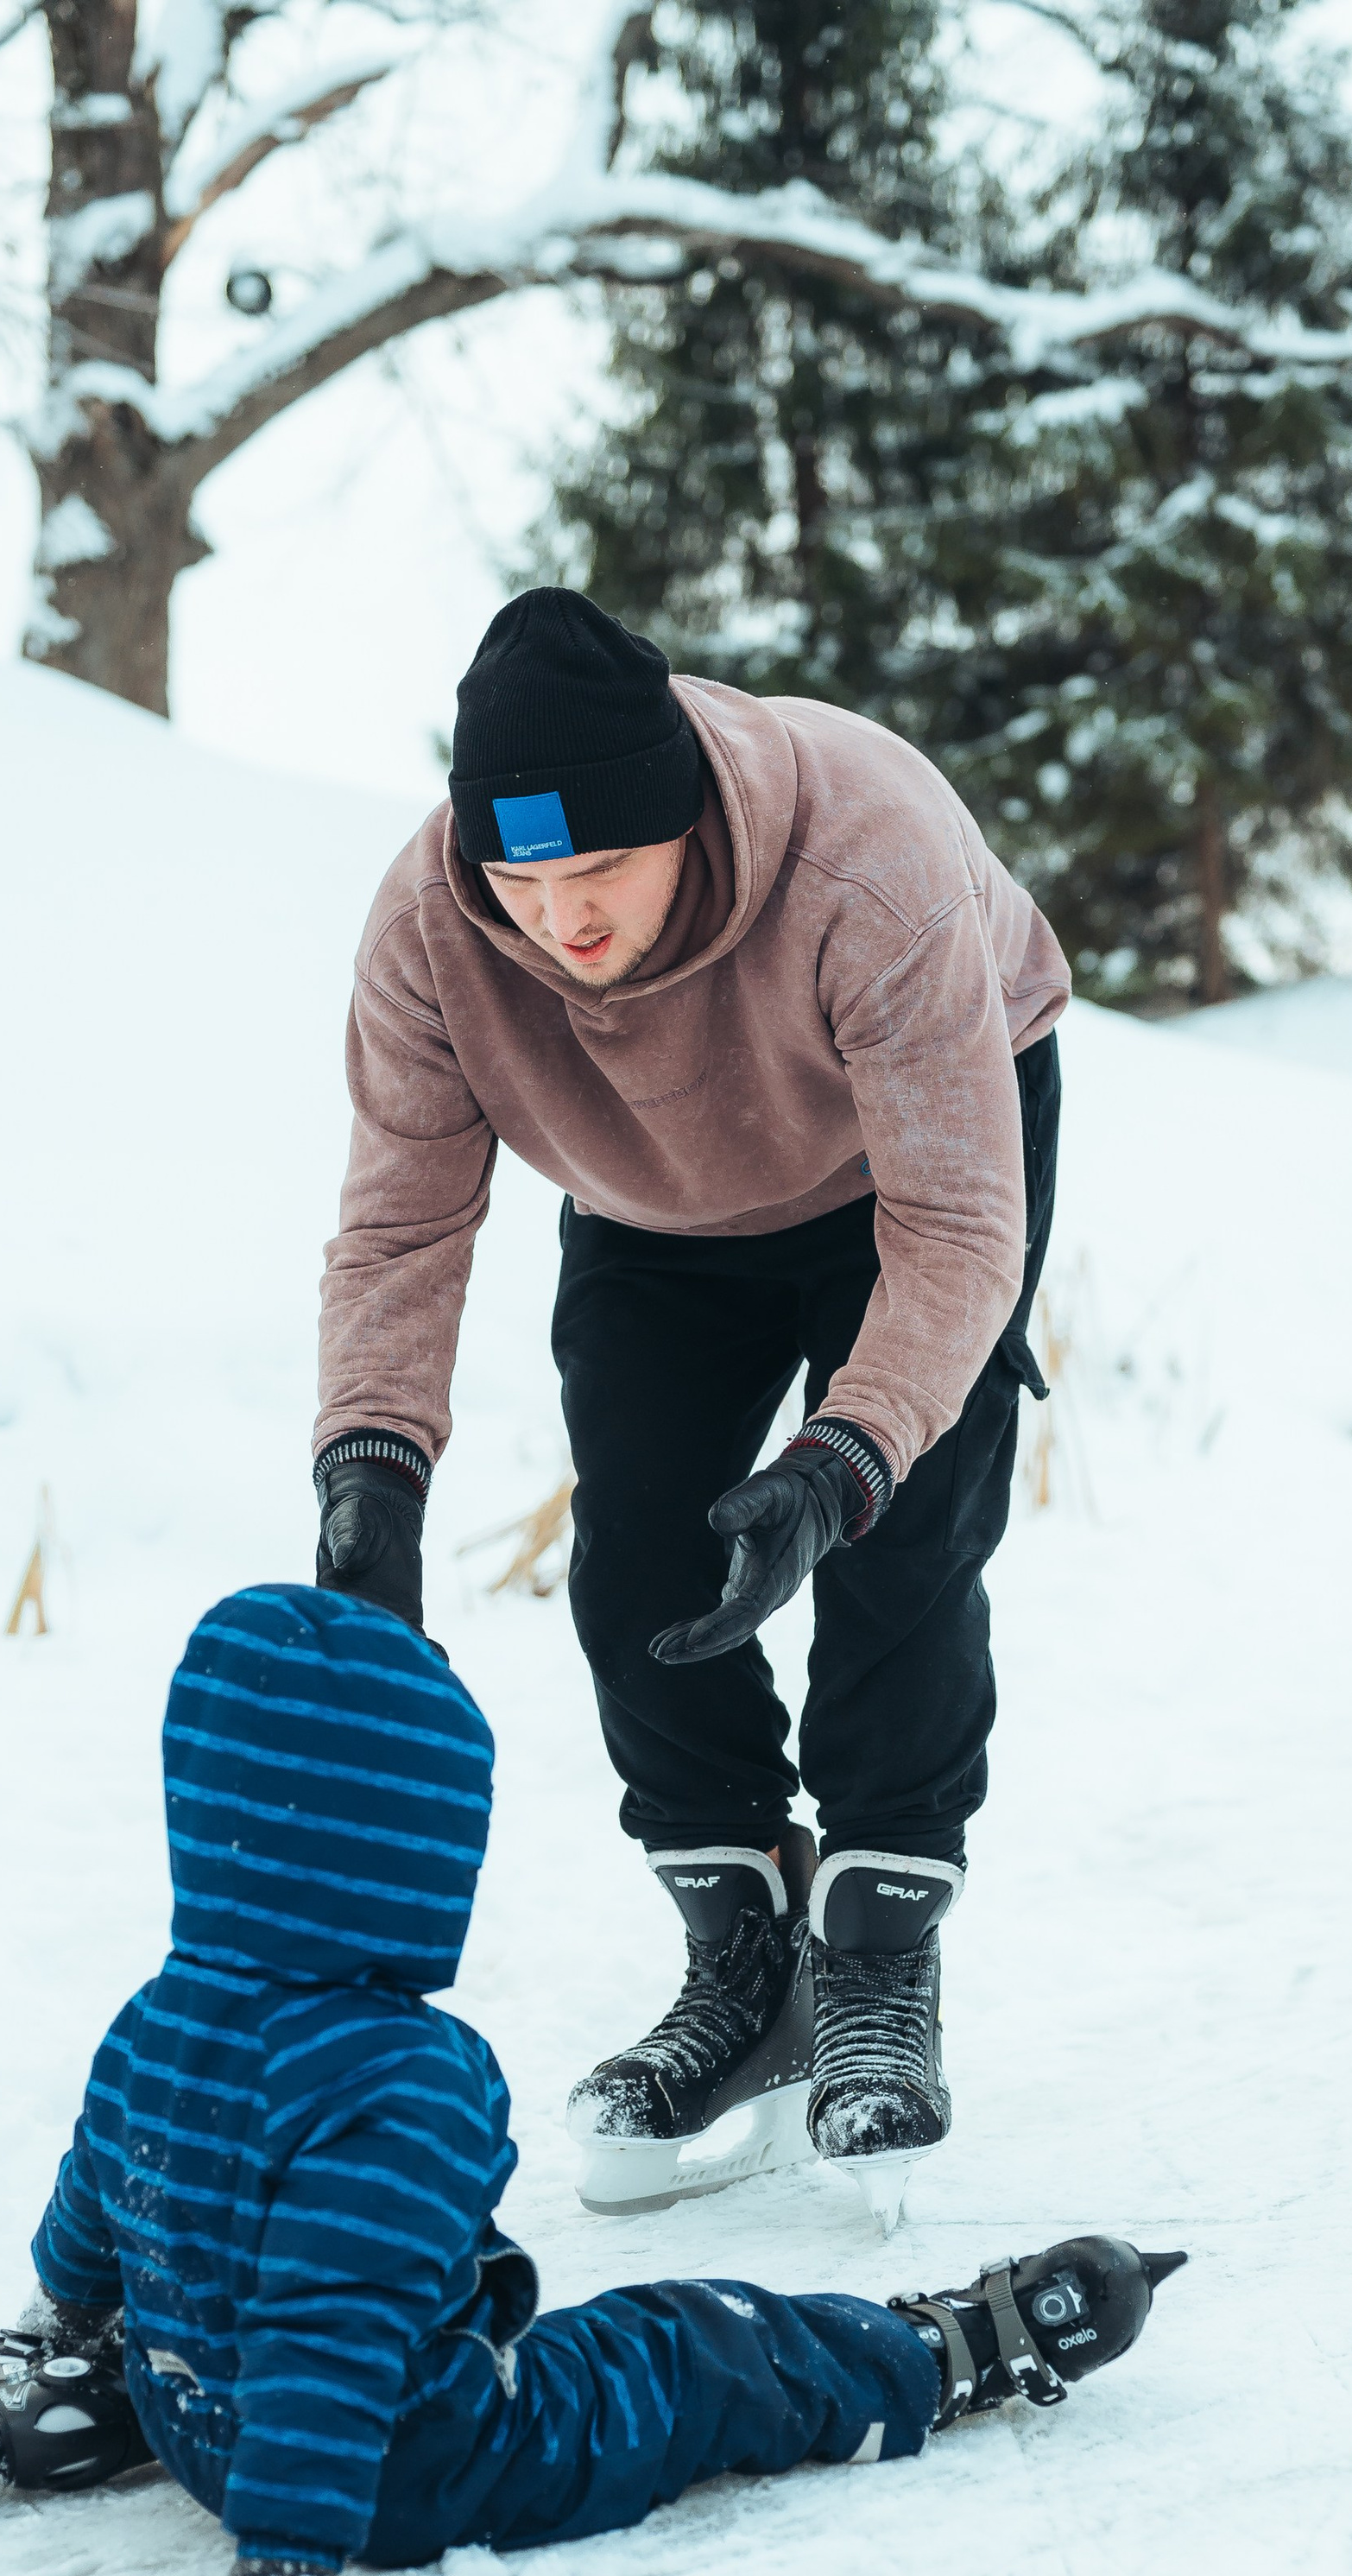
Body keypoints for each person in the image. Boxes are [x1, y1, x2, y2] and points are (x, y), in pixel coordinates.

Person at [0, 1586, 1182, 2576]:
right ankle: (926, 2355)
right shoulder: (407, 2080)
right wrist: (282, 2569)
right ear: (414, 1844)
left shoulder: (156, 2020)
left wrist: (61, 2323)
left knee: (231, 2256)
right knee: (685, 2349)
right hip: (405, 2465)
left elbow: (98, 2207)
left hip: (189, 2406)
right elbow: (332, 2323)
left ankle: (99, 2397)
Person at [309, 589, 1068, 2212]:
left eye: (597, 875)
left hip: (911, 1171)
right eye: (521, 877)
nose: (559, 921)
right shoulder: (434, 931)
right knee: (642, 1558)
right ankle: (744, 1957)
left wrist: (848, 1455)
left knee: (902, 1542)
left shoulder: (871, 852)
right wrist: (368, 1468)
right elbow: (401, 1221)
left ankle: (873, 1960)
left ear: (685, 827)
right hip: (654, 1203)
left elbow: (953, 1230)